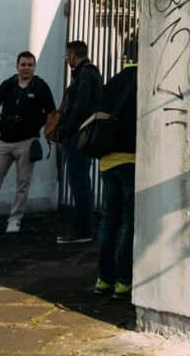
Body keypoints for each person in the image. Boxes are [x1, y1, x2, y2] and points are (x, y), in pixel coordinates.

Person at [0, 51, 55, 234]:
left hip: (27, 142)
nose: (26, 68)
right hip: (4, 142)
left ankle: (15, 220)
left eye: (30, 65)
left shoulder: (41, 87)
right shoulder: (8, 84)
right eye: (23, 64)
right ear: (17, 66)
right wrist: (0, 123)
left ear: (34, 67)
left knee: (23, 184)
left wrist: (38, 127)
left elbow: (51, 112)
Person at [93, 41, 138, 298]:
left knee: (109, 221)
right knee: (128, 224)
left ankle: (103, 279)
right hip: (130, 161)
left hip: (107, 161)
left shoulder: (112, 82)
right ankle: (124, 281)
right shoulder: (143, 81)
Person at [57, 40, 102, 244]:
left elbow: (80, 106)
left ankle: (83, 230)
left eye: (67, 55)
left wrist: (67, 130)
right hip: (80, 135)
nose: (66, 58)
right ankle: (83, 228)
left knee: (80, 183)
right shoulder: (87, 74)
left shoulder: (85, 74)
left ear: (74, 54)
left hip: (78, 137)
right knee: (81, 182)